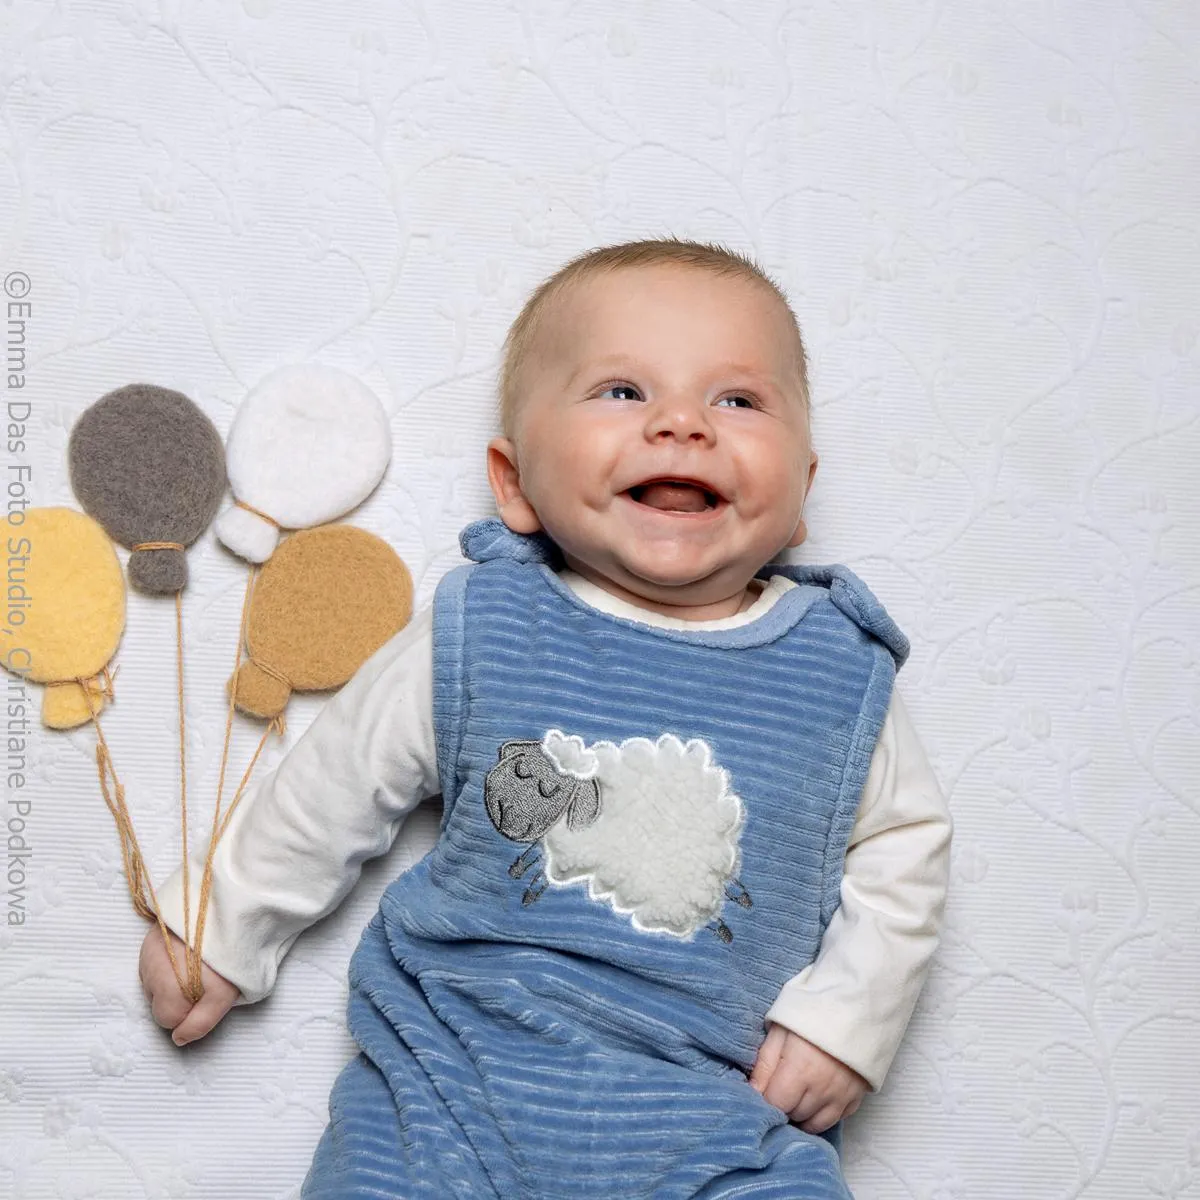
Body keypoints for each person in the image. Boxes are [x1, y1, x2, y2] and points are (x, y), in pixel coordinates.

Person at [140, 238, 952, 1198]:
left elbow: (905, 851)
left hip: (720, 1121)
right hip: (450, 1090)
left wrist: (845, 1023)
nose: (683, 423)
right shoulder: (486, 627)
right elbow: (337, 779)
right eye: (622, 391)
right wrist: (223, 923)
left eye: (738, 400)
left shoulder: (836, 672)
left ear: (801, 496)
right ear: (516, 483)